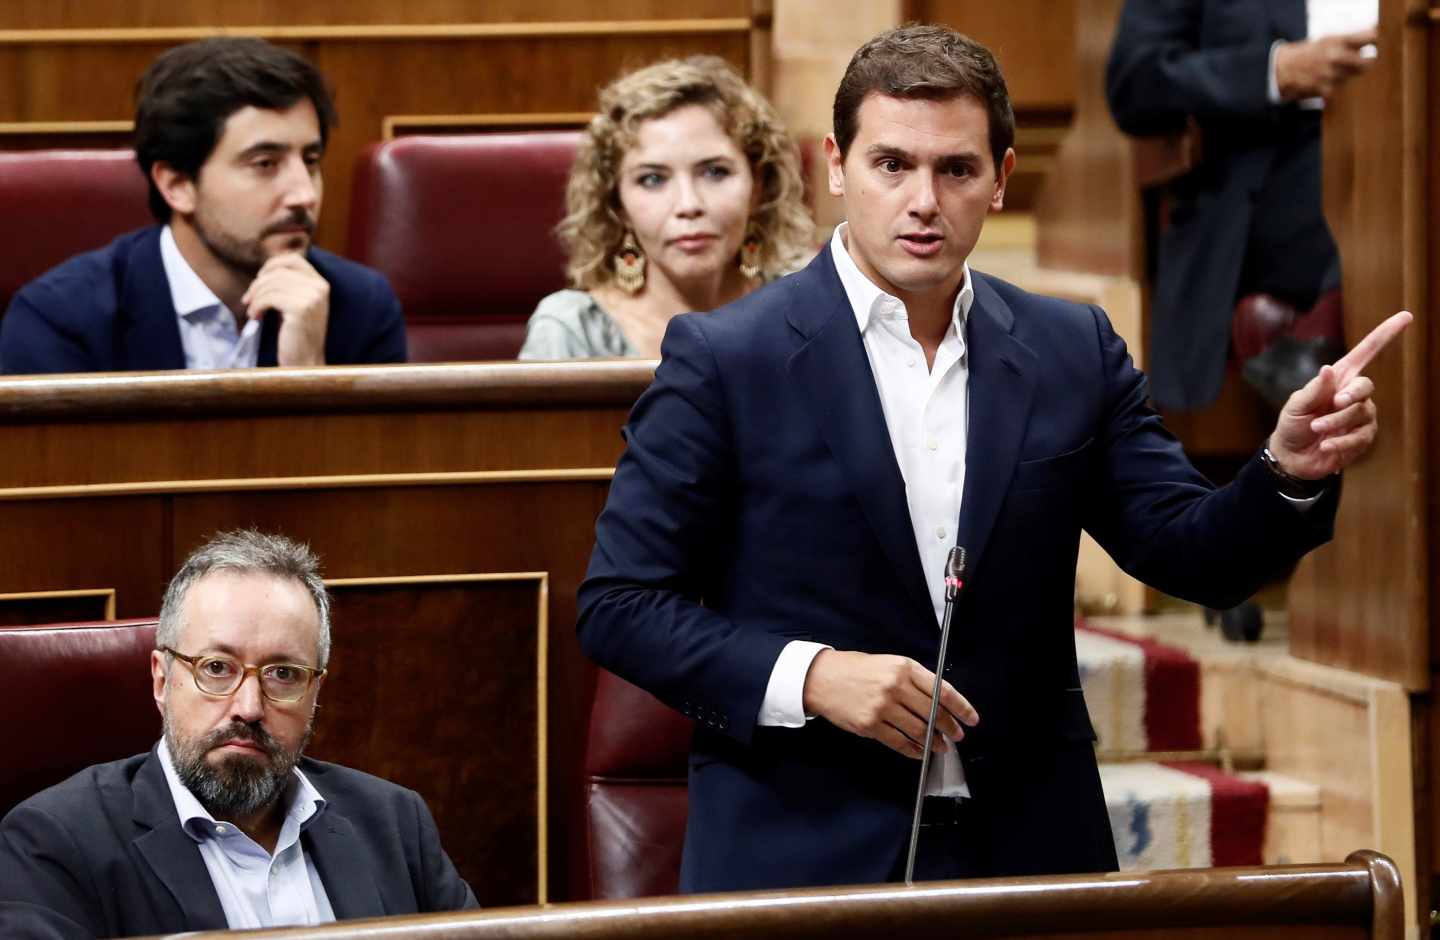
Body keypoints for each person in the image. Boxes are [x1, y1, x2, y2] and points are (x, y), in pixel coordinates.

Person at [577, 24, 1409, 892]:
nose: (923, 201)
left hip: (1029, 853)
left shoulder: (1070, 347)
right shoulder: (725, 357)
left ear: (1003, 179)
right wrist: (813, 675)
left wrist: (1285, 471)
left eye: (957, 169)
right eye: (891, 165)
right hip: (801, 851)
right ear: (836, 165)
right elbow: (621, 603)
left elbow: (1189, 550)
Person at [0, 530, 476, 937]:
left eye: (283, 674)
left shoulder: (394, 824)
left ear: (316, 691)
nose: (249, 707)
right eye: (216, 668)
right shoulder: (55, 842)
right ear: (162, 680)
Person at [0, 38, 407, 376]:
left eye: (311, 161)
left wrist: (309, 374)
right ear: (177, 186)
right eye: (265, 164)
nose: (305, 194)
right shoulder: (62, 320)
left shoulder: (360, 309)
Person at [1105, 1, 1375, 411]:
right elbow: (1135, 81)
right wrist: (1273, 71)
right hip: (1272, 171)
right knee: (1365, 169)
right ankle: (1321, 334)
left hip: (1412, 139)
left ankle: (1317, 336)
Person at [517, 55, 813, 360]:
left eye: (715, 172)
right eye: (653, 179)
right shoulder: (572, 331)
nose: (688, 204)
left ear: (757, 187)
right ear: (617, 204)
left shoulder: (807, 304)